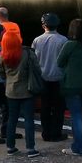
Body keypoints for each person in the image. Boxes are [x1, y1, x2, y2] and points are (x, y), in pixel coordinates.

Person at [57, 18, 82, 156]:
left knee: (76, 116)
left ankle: (77, 148)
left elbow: (59, 62)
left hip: (72, 86)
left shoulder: (70, 45)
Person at [0, 32, 40, 157]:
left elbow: (1, 73)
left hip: (11, 91)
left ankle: (10, 147)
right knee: (29, 120)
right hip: (27, 90)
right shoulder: (27, 53)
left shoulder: (3, 55)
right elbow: (37, 69)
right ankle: (30, 148)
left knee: (12, 119)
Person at [32, 13, 69, 142]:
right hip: (58, 78)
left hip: (43, 78)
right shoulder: (63, 40)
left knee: (45, 106)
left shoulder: (37, 40)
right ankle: (56, 133)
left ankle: (46, 133)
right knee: (59, 108)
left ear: (44, 25)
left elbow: (34, 59)